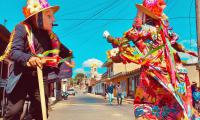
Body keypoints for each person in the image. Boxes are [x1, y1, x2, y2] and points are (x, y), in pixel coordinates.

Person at [103, 0, 199, 119]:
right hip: (170, 71)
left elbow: (121, 43)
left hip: (152, 71)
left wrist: (109, 38)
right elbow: (176, 45)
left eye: (140, 12)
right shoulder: (164, 30)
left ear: (145, 14)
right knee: (173, 100)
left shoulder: (140, 30)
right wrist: (185, 50)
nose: (137, 15)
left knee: (147, 104)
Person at [4, 0, 73, 120]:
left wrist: (69, 58)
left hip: (39, 77)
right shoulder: (21, 28)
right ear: (38, 17)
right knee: (14, 112)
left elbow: (63, 50)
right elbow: (14, 52)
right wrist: (29, 58)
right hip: (21, 75)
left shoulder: (50, 35)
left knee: (41, 112)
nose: (54, 20)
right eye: (49, 16)